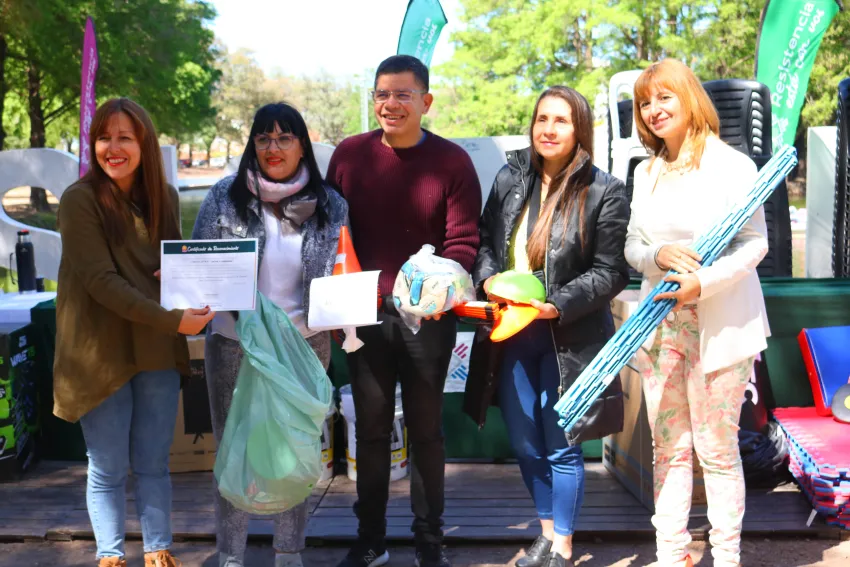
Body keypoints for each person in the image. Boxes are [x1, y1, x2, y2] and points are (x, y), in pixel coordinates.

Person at [325, 55, 482, 567]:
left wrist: (436, 295)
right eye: (382, 94)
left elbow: (463, 244)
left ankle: (429, 543)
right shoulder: (349, 157)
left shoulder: (452, 162)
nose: (390, 104)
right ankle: (370, 539)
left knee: (427, 431)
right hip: (363, 318)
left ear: (426, 102)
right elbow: (330, 234)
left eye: (403, 95)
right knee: (370, 432)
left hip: (429, 322)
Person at [463, 86, 629, 567]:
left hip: (568, 336)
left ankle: (564, 544)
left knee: (561, 445)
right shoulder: (510, 178)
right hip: (509, 332)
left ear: (580, 130)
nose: (549, 129)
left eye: (561, 120)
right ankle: (546, 530)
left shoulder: (604, 190)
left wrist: (554, 306)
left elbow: (611, 272)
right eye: (542, 119)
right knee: (524, 442)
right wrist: (488, 279)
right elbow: (485, 243)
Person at [54, 98, 215, 567]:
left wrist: (187, 278)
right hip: (99, 351)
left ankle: (158, 550)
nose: (114, 148)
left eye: (125, 137)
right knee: (107, 467)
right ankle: (110, 556)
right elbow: (102, 282)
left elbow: (174, 265)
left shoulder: (163, 196)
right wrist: (175, 321)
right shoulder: (78, 200)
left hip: (154, 347)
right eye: (104, 137)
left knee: (153, 463)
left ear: (144, 144)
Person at [625, 59, 771, 567]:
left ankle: (726, 557)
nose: (654, 109)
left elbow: (755, 243)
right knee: (668, 448)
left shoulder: (734, 166)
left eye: (664, 97)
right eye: (645, 102)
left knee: (717, 449)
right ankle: (672, 555)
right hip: (659, 327)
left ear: (690, 98)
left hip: (722, 324)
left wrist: (701, 283)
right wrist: (657, 255)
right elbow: (632, 245)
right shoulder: (645, 171)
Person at [192, 102, 348, 567]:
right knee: (233, 449)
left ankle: (288, 552)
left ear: (302, 145)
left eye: (284, 138)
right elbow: (200, 261)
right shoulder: (224, 196)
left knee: (295, 448)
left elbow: (343, 269)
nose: (273, 148)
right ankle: (231, 554)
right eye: (263, 138)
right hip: (233, 343)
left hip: (304, 344)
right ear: (252, 145)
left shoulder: (330, 203)